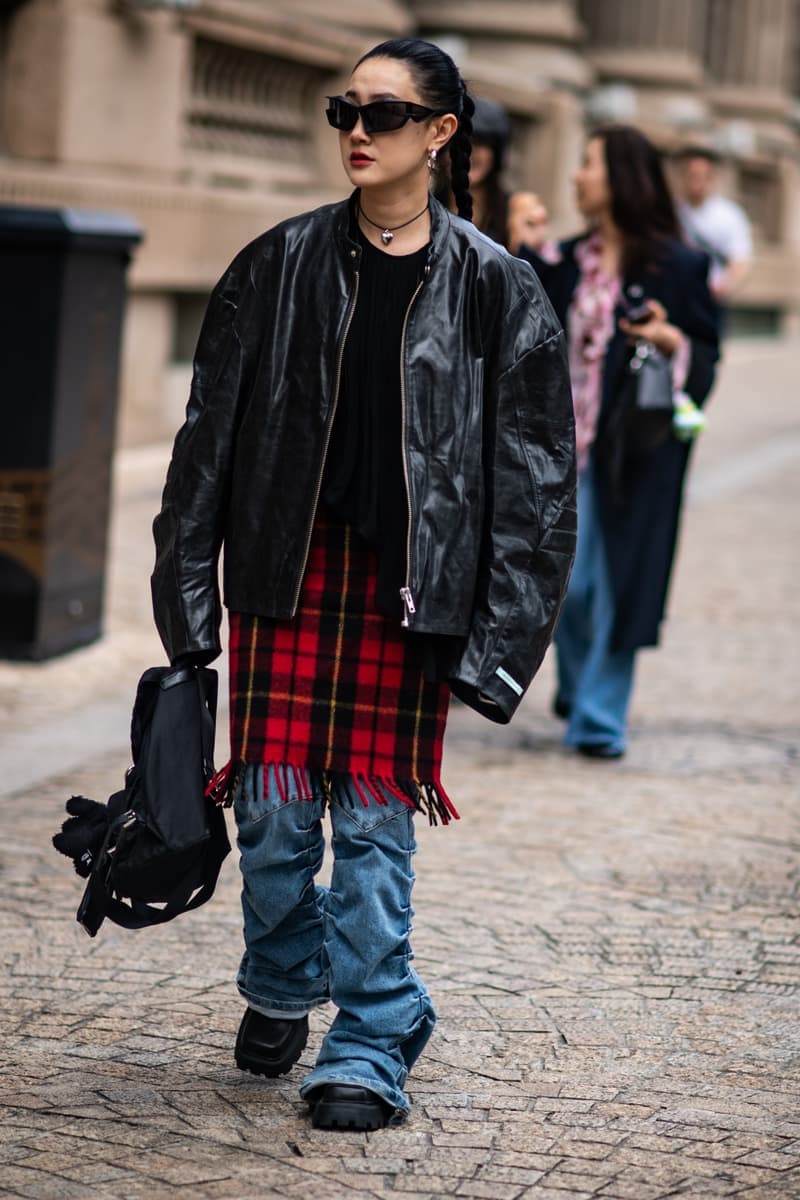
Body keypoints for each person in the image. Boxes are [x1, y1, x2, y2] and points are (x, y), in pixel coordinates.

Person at [151, 38, 576, 1131]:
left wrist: (498, 645)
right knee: (275, 817)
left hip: (409, 590)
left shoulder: (495, 286)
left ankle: (375, 1033)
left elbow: (534, 480)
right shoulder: (274, 262)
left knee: (375, 835)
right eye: (345, 108)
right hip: (288, 576)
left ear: (437, 133)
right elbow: (207, 445)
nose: (355, 129)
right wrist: (187, 600)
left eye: (382, 113)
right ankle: (283, 982)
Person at [516, 125, 719, 758]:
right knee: (568, 589)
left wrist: (671, 342)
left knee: (620, 584)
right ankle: (579, 687)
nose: (577, 176)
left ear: (622, 177)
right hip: (561, 452)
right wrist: (523, 256)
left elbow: (707, 354)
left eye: (589, 164)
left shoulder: (679, 265)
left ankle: (601, 717)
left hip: (637, 454)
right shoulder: (567, 260)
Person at [674, 145, 753, 304]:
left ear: (711, 177)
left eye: (702, 176)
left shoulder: (729, 215)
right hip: (675, 294)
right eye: (691, 175)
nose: (696, 181)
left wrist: (724, 287)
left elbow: (740, 259)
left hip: (710, 297)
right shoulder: (670, 212)